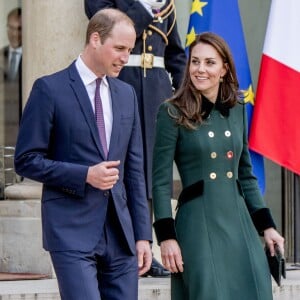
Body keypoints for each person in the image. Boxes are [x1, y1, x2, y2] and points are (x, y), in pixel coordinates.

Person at [14, 8, 152, 300]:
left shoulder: (126, 94)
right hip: (71, 230)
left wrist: (142, 235)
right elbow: (26, 160)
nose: (126, 57)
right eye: (119, 48)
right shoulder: (49, 89)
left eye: (130, 49)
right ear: (95, 39)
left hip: (121, 236)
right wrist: (85, 175)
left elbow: (135, 172)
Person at [152, 32, 285, 300]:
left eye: (210, 63)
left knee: (255, 289)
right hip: (198, 226)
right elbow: (160, 181)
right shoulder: (171, 112)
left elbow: (245, 174)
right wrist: (166, 237)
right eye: (195, 62)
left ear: (224, 69)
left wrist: (267, 226)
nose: (200, 69)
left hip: (238, 222)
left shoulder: (236, 108)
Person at [84, 0, 186, 277]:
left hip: (156, 92)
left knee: (150, 173)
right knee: (119, 169)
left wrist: (187, 93)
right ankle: (118, 247)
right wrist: (143, 6)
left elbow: (175, 53)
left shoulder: (165, 3)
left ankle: (145, 248)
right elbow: (106, 28)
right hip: (120, 82)